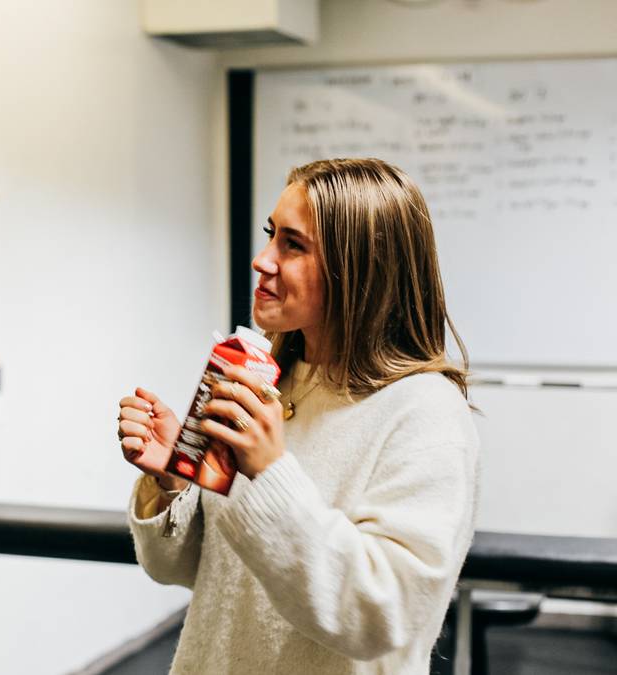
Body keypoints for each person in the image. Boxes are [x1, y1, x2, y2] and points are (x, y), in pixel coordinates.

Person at [116, 158, 478, 674]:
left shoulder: (425, 414)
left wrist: (269, 472)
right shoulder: (269, 380)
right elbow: (200, 574)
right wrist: (176, 478)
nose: (262, 261)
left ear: (358, 269)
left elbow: (384, 617)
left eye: (293, 244)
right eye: (271, 235)